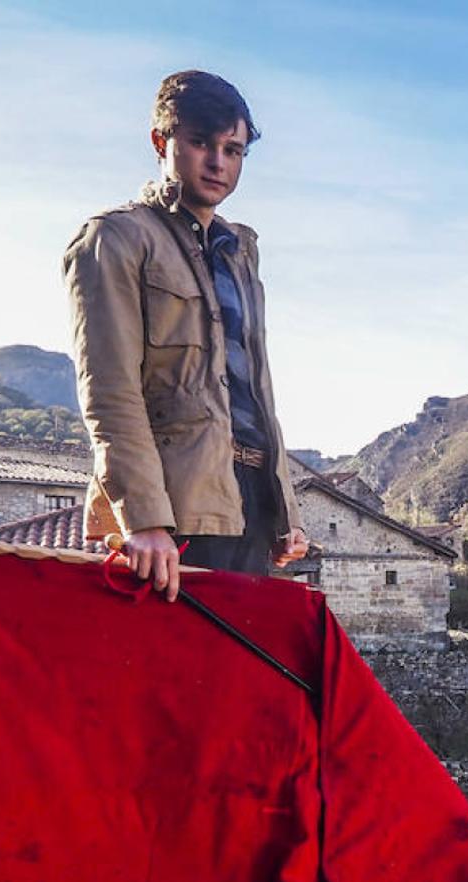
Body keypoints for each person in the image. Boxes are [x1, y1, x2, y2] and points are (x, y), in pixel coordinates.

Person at [62, 70, 308, 602]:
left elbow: (255, 391)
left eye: (233, 149)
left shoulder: (240, 251)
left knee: (241, 682)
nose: (218, 162)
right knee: (167, 682)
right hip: (173, 516)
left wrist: (282, 508)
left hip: (250, 510)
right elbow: (109, 391)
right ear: (162, 142)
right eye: (201, 143)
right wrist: (145, 519)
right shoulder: (116, 238)